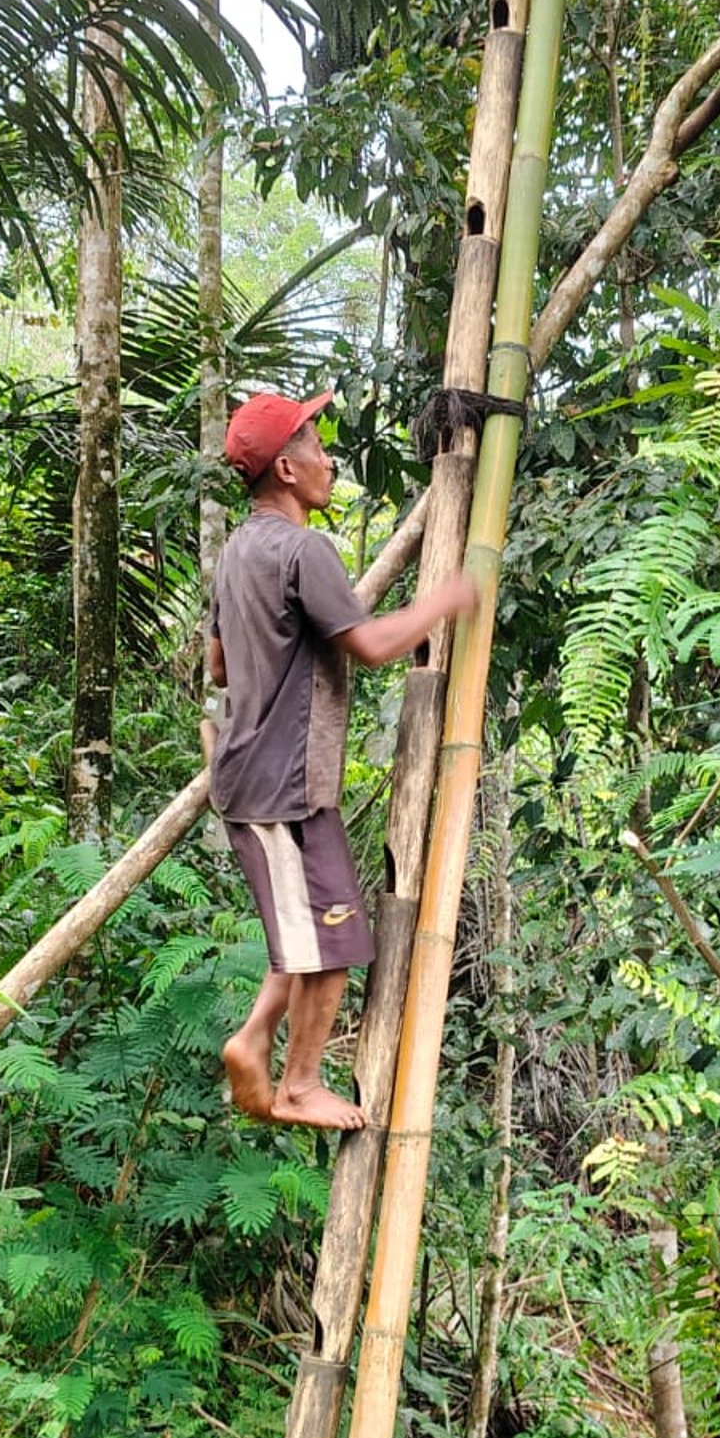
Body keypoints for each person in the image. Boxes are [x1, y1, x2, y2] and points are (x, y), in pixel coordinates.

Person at [206, 389, 477, 1131]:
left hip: (259, 779)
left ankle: (253, 1040)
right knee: (334, 942)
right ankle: (298, 1084)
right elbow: (371, 645)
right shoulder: (304, 550)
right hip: (283, 787)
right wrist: (448, 598)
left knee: (307, 934)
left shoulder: (238, 552)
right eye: (318, 448)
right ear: (286, 470)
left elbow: (219, 665)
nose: (329, 461)